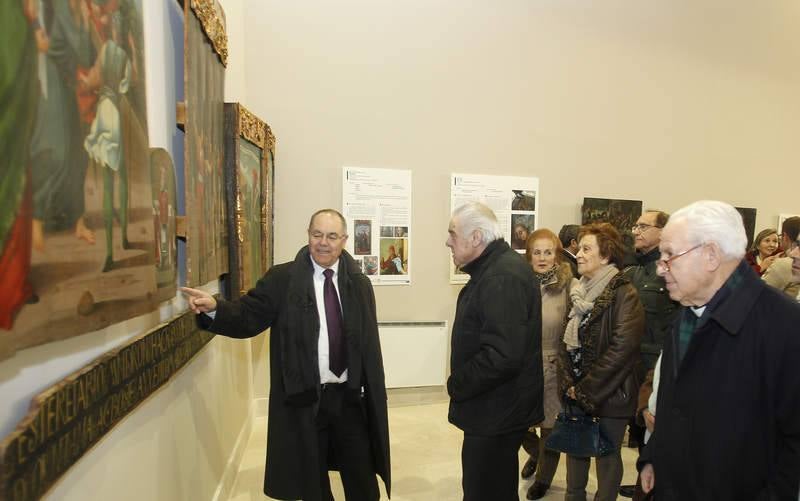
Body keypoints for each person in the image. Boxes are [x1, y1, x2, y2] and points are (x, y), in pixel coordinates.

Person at [182, 209, 390, 501]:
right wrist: (216, 308)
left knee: (363, 479)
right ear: (308, 235)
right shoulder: (283, 279)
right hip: (305, 399)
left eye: (332, 236)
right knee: (311, 482)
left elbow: (367, 342)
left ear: (344, 240)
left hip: (349, 397)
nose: (323, 243)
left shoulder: (358, 284)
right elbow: (249, 314)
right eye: (317, 234)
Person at [637, 200, 800, 500]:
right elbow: (673, 403)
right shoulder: (688, 313)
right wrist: (653, 456)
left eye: (670, 255)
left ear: (711, 255)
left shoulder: (786, 326)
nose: (660, 268)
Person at [445, 202, 543, 501]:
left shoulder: (502, 276)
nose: (448, 241)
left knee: (485, 491)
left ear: (476, 237)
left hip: (495, 411)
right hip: (493, 409)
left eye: (452, 233)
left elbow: (502, 355)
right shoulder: (494, 270)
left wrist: (458, 383)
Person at [558, 222, 644, 501]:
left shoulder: (624, 293)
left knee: (606, 458)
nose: (578, 254)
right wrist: (570, 383)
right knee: (576, 451)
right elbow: (566, 341)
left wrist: (585, 389)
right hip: (577, 389)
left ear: (605, 256)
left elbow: (622, 350)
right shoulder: (578, 291)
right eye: (578, 248)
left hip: (612, 392)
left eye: (586, 249)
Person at [620, 211, 678, 499]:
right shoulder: (635, 269)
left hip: (655, 365)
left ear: (662, 231)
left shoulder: (668, 268)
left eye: (644, 226)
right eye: (636, 224)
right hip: (632, 362)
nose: (636, 231)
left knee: (652, 433)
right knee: (638, 428)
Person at [520, 229, 578, 500]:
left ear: (557, 255)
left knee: (549, 428)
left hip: (553, 364)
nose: (542, 258)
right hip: (522, 365)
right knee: (519, 426)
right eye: (537, 252)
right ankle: (536, 454)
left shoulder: (569, 285)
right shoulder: (518, 283)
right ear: (528, 255)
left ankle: (544, 478)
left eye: (548, 252)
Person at [762, 216, 800, 299]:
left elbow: (758, 296)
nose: (771, 245)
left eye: (775, 241)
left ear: (785, 236)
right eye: (767, 241)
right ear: (758, 245)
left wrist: (761, 268)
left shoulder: (784, 264)